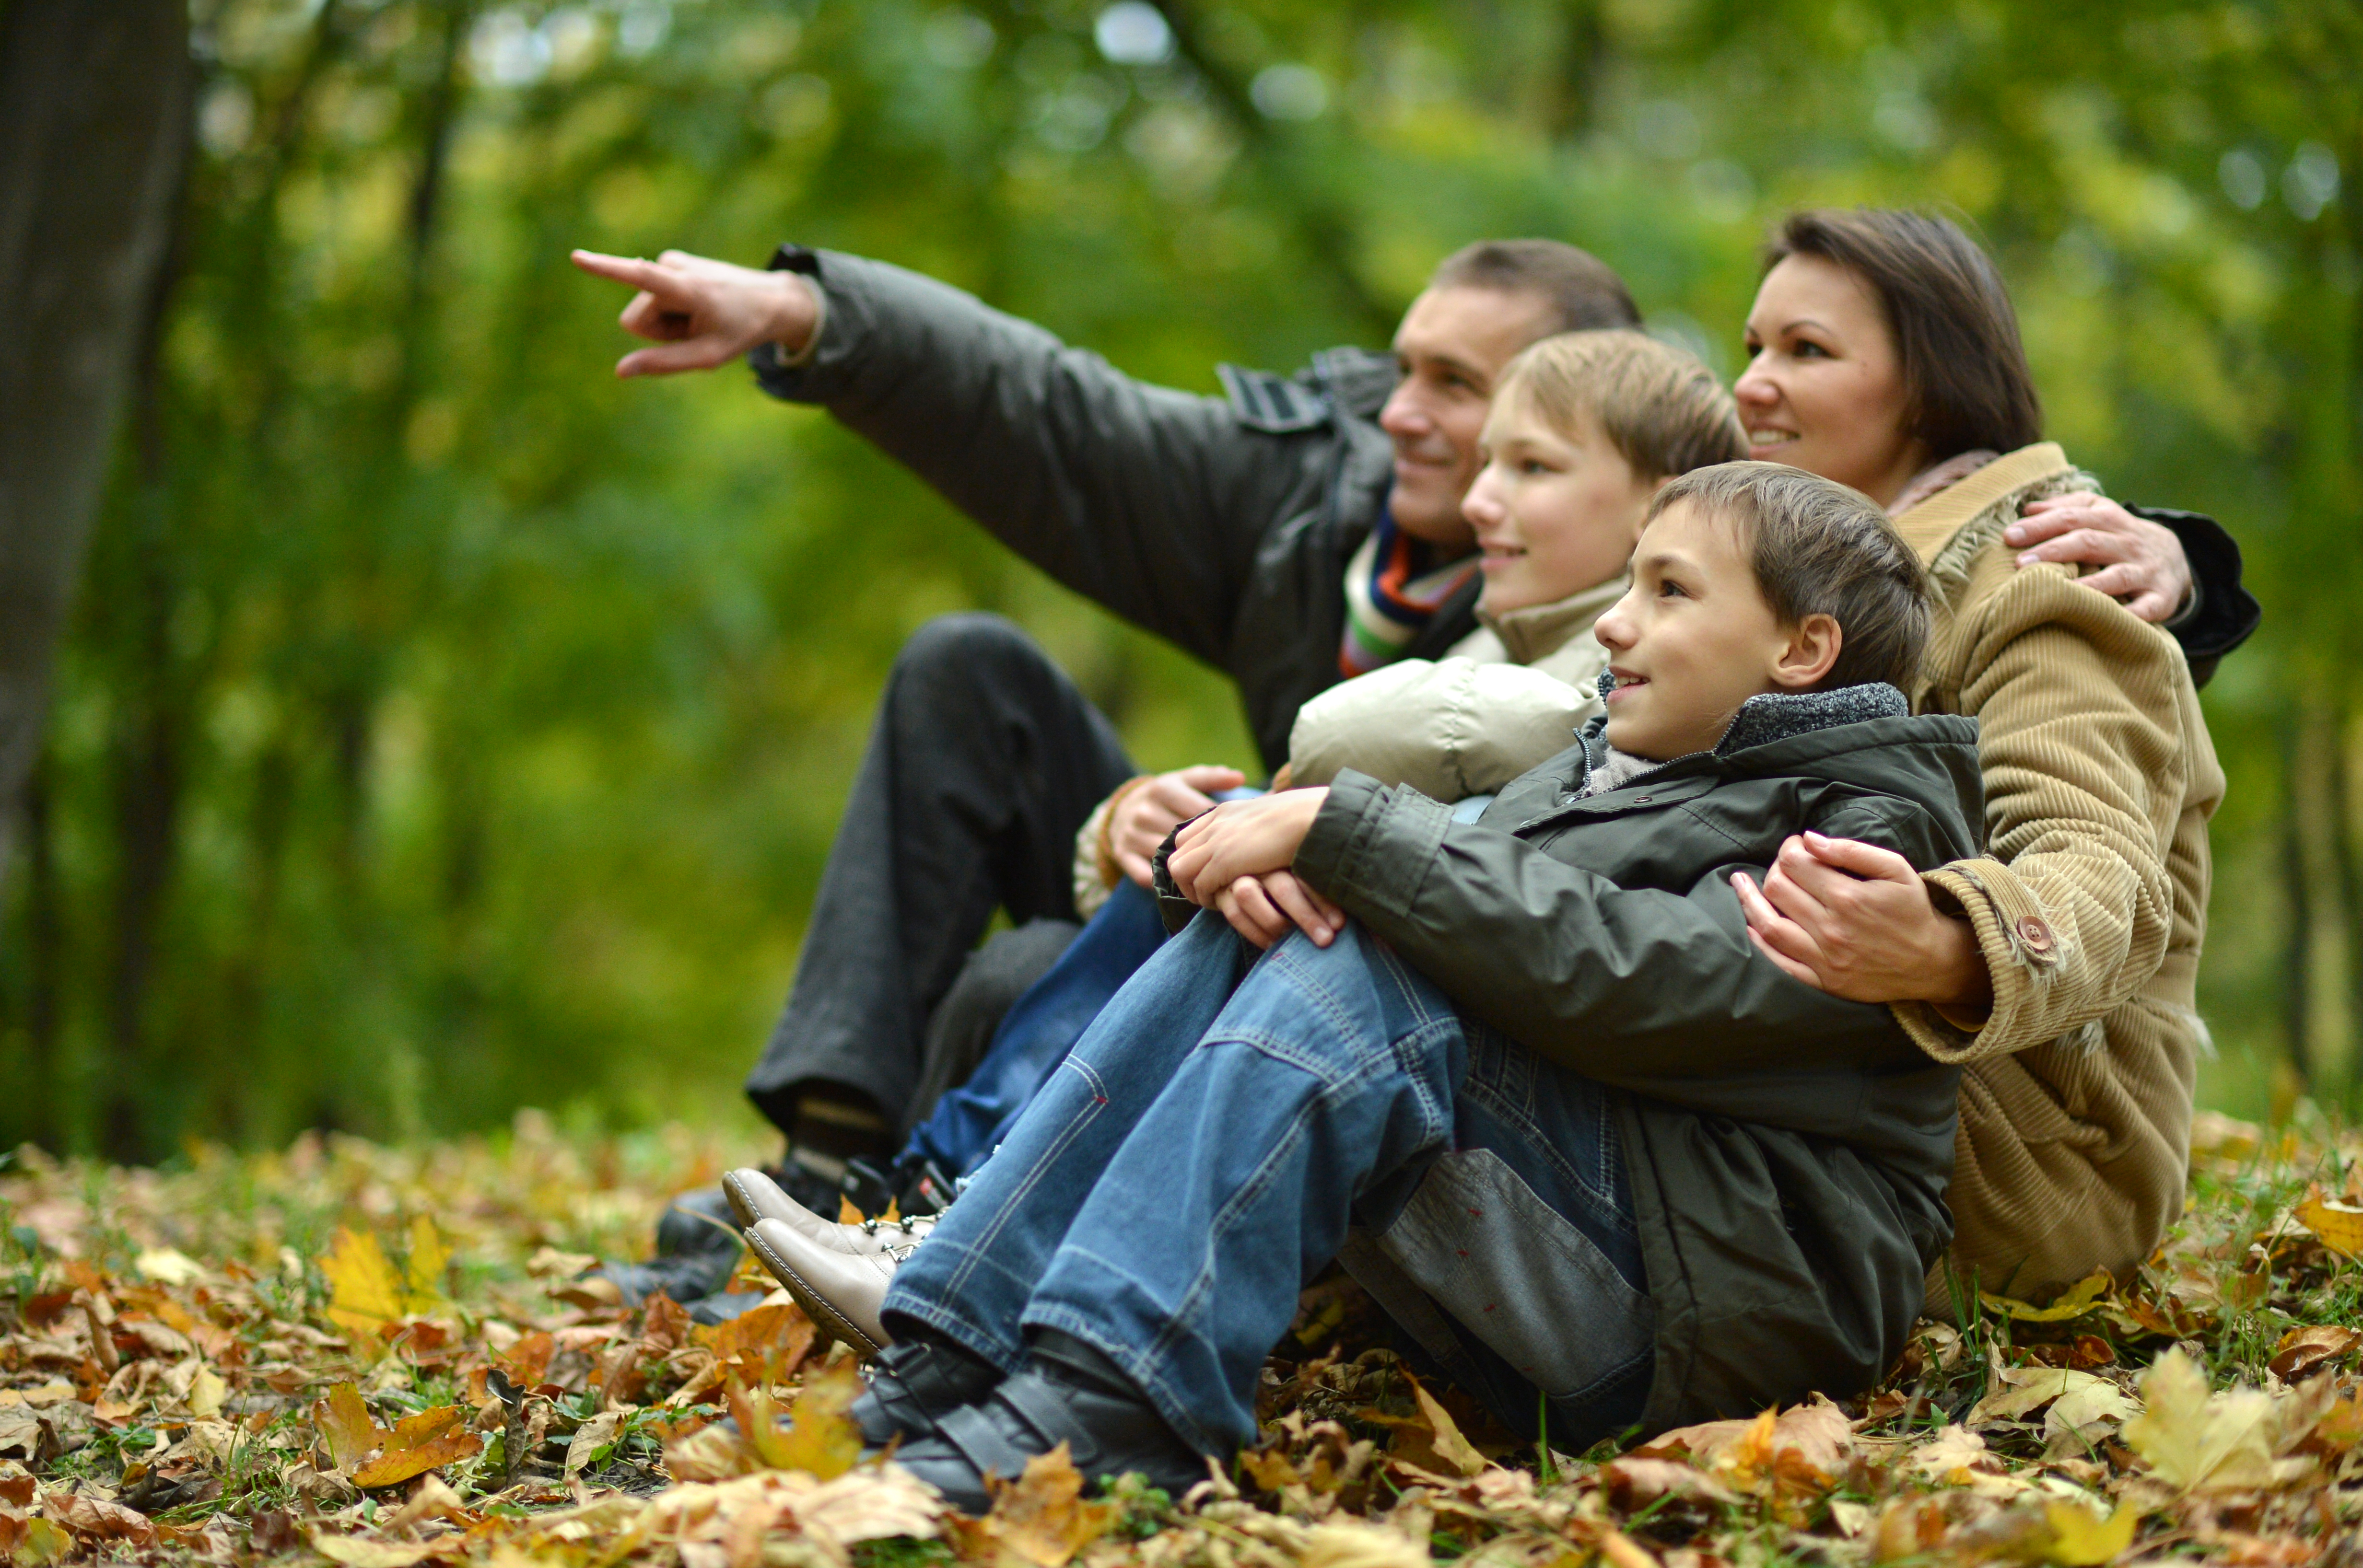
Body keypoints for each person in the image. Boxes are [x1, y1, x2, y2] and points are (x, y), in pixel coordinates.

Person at [567, 230, 2242, 1301]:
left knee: (1270, 943)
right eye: (1411, 379)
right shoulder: (1316, 490)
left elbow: (2066, 794)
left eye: (1498, 410)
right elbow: (1053, 416)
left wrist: (2177, 563)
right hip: (1446, 925)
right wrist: (812, 313)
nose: (1419, 425)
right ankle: (890, 1202)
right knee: (1011, 767)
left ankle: (1002, 1246)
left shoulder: (1820, 577)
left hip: (1826, 1079)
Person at [737, 460, 1982, 1508]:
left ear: (1803, 649)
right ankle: (963, 1329)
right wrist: (1247, 869)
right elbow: (1466, 902)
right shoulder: (1621, 765)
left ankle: (1114, 1400)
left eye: (1668, 592)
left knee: (1366, 924)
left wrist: (1350, 838)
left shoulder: (1869, 829)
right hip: (1601, 1229)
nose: (1613, 624)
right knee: (1308, 907)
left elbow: (1644, 985)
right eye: (1626, 585)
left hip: (1711, 1303)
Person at [744, 327, 1752, 1344]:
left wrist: (1283, 809)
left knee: (1212, 863)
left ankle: (951, 1211)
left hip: (1457, 1062)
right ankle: (936, 1205)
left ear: (1663, 497)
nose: (1481, 498)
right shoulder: (1500, 632)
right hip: (1397, 997)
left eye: (1527, 466)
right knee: (1178, 858)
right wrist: (1133, 833)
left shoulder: (1624, 666)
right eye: (1488, 460)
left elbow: (1373, 746)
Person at [1703, 209, 2236, 1308]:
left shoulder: (2045, 574)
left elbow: (2099, 871)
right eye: (1752, 346)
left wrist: (1951, 943)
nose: (1751, 381)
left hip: (2034, 1156)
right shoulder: (1800, 570)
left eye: (1806, 349)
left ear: (1930, 382)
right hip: (1853, 1075)